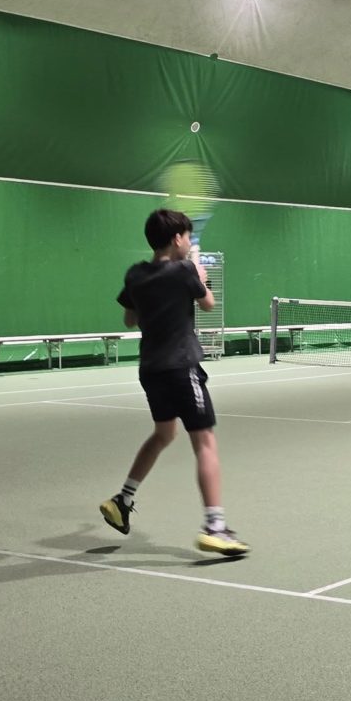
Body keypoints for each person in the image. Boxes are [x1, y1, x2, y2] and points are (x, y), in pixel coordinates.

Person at [98, 209, 250, 555]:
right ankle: (215, 526)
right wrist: (200, 276)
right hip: (182, 368)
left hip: (151, 370)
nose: (188, 241)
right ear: (177, 238)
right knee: (205, 442)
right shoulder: (184, 271)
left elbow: (129, 319)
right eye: (187, 236)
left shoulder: (136, 274)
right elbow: (208, 303)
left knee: (164, 434)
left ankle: (123, 500)